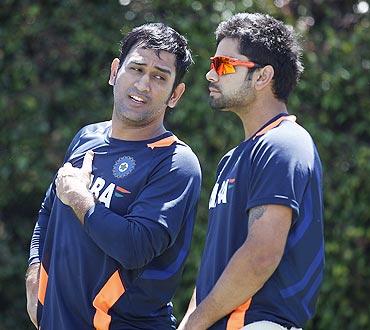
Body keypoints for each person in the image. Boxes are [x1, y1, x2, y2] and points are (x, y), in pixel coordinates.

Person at [25, 23, 201, 330]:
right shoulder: (86, 137)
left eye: (160, 76)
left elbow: (134, 247)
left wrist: (81, 199)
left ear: (176, 94)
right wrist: (34, 274)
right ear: (114, 71)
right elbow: (49, 211)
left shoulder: (176, 163)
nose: (144, 84)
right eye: (137, 69)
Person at [179, 13, 324, 330]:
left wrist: (196, 322)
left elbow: (261, 254)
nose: (210, 74)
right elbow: (217, 265)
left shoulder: (284, 143)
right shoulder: (234, 157)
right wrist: (191, 321)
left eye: (223, 65)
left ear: (262, 77)